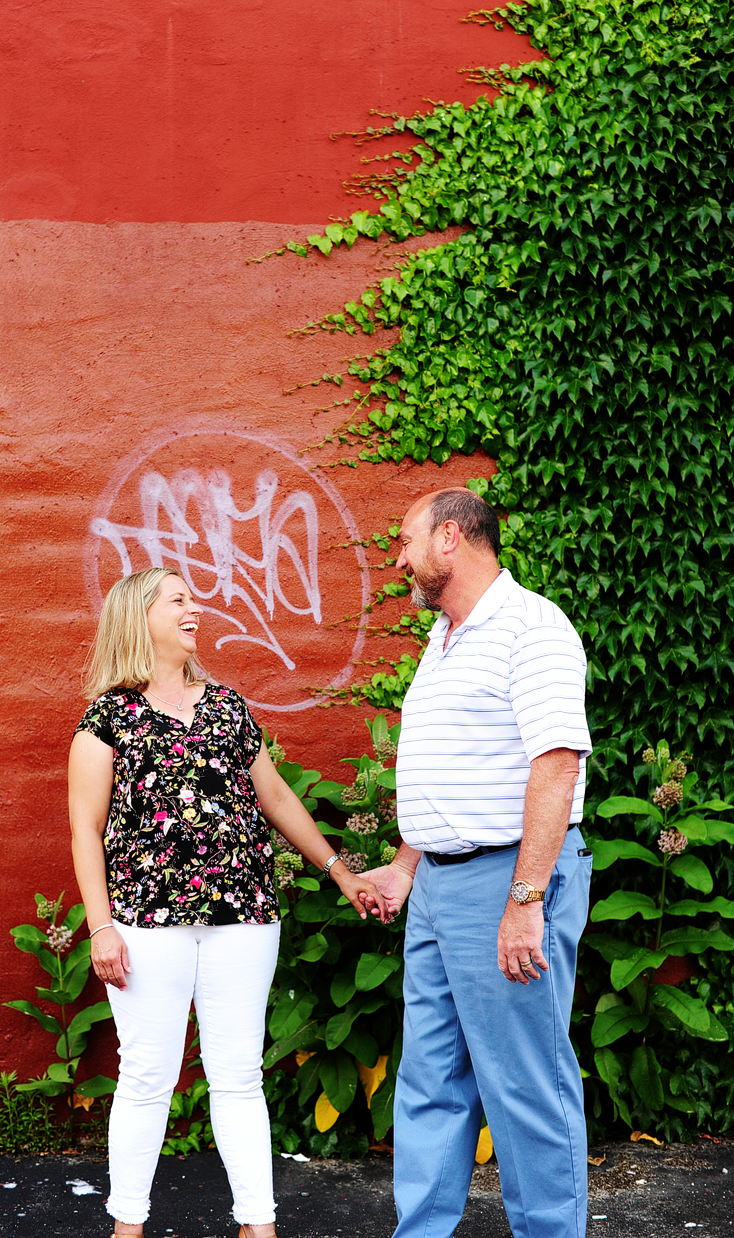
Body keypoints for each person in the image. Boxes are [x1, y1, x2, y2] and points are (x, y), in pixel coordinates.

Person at [68, 566, 379, 1238]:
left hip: (244, 916)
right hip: (147, 922)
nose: (194, 608)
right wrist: (101, 926)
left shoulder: (229, 705)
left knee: (238, 1075)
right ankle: (128, 1225)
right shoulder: (108, 717)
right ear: (139, 615)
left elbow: (276, 798)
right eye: (178, 599)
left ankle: (257, 1225)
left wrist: (339, 870)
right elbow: (85, 829)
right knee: (147, 1075)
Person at [361, 487, 593, 1238]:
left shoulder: (532, 626)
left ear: (451, 537)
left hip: (507, 880)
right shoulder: (445, 636)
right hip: (436, 887)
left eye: (406, 540)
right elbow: (453, 771)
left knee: (526, 1081)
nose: (398, 558)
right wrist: (404, 865)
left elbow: (555, 766)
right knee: (428, 1082)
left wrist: (526, 899)